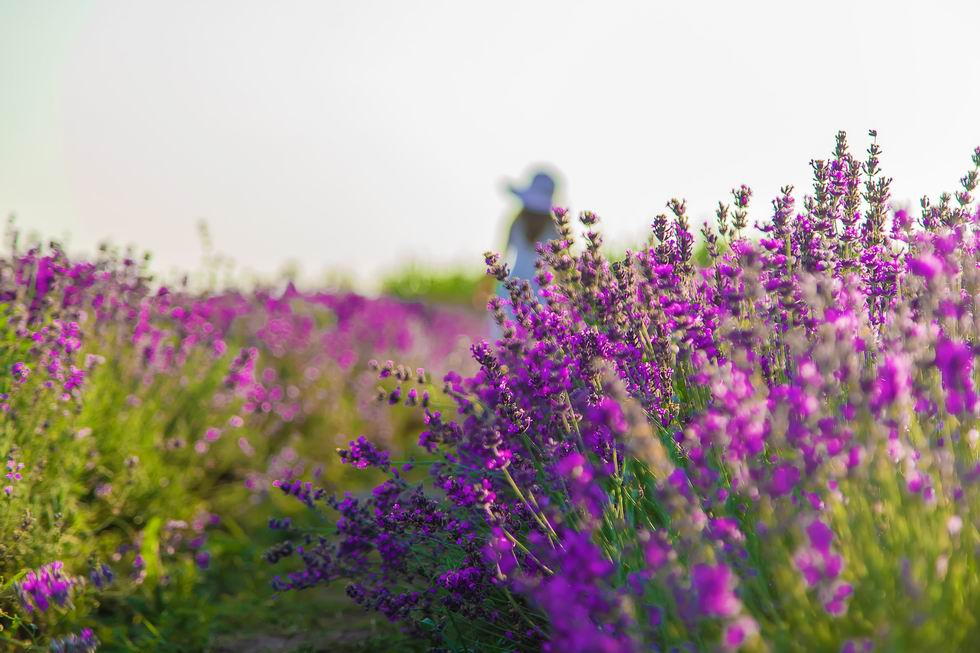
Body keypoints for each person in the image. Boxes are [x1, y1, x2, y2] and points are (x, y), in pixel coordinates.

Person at [493, 171, 560, 330]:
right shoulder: (553, 227)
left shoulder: (518, 221)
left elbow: (500, 257)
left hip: (512, 288)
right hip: (542, 293)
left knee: (506, 338)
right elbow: (562, 265)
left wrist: (485, 283)